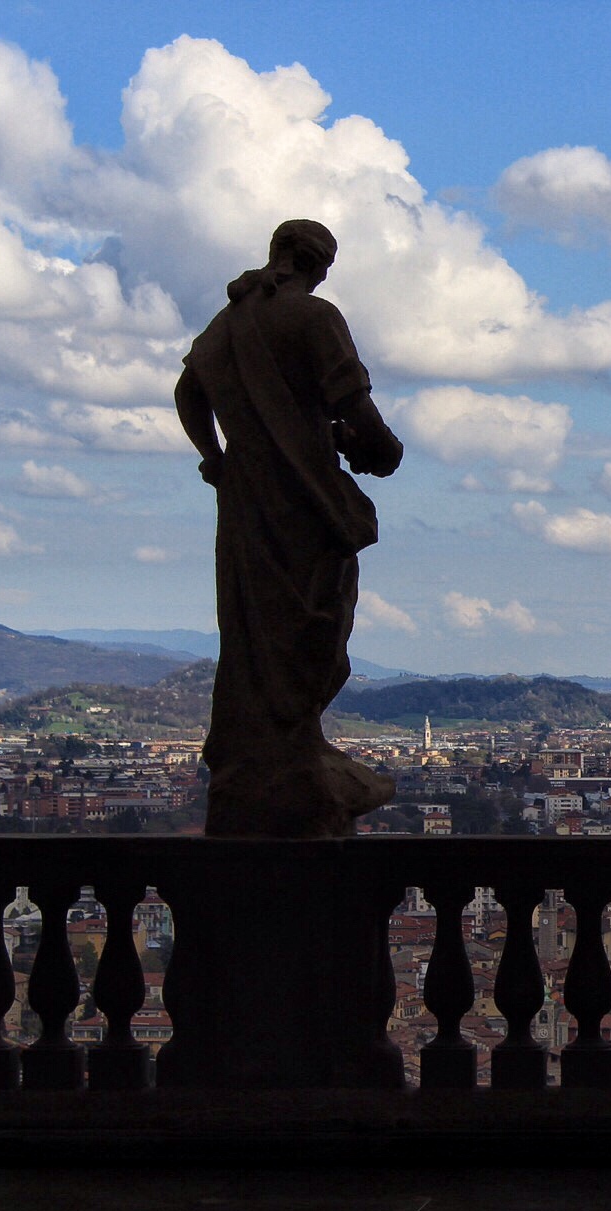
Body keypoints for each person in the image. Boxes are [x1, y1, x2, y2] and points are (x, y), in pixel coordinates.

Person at [176, 219, 404, 836]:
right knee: (315, 620)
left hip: (245, 499)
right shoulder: (313, 317)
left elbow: (187, 393)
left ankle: (267, 751)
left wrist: (216, 457)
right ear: (319, 265)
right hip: (303, 497)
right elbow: (358, 411)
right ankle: (292, 750)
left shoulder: (224, 329)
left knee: (253, 627)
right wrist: (382, 448)